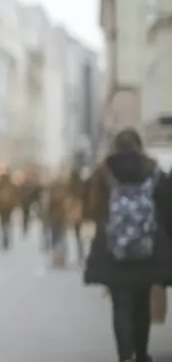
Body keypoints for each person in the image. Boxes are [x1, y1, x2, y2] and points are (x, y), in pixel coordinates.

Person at [83, 128, 172, 362]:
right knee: (142, 303)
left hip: (113, 249)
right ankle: (142, 354)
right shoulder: (152, 170)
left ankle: (125, 356)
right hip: (148, 248)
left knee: (120, 304)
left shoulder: (103, 172)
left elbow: (92, 207)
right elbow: (167, 209)